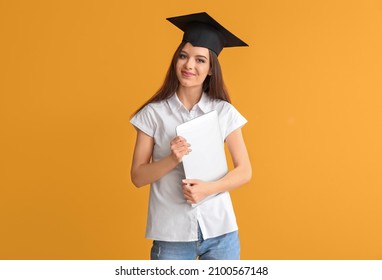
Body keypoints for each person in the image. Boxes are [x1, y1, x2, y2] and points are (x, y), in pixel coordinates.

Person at [130, 12, 252, 260]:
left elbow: (245, 170)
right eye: (183, 56)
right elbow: (138, 176)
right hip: (171, 236)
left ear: (210, 69)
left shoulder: (223, 112)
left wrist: (209, 189)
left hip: (221, 233)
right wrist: (171, 159)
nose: (189, 66)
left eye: (200, 60)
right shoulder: (153, 114)